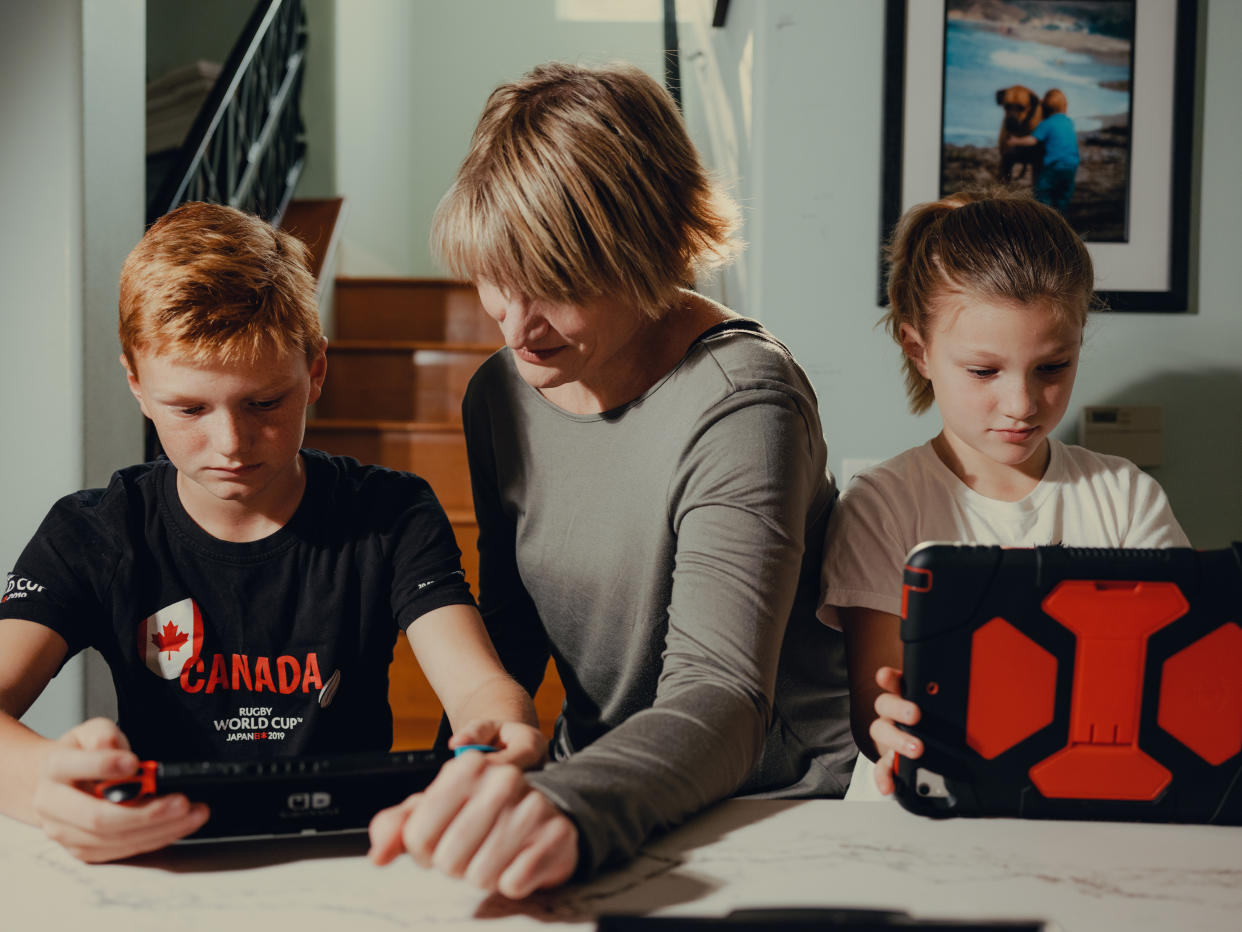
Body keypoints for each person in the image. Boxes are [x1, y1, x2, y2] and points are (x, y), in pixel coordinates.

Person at [367, 61, 855, 897]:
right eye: (498, 276)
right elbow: (511, 637)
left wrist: (567, 802)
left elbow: (724, 694)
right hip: (595, 785)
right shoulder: (501, 393)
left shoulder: (742, 401)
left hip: (765, 803)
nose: (517, 325)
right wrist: (470, 778)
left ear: (651, 251)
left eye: (557, 284)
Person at [0, 202, 545, 863]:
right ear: (136, 384)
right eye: (189, 408)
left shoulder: (391, 514)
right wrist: (39, 784)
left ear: (315, 371)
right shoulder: (93, 531)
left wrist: (499, 733)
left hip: (350, 857)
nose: (231, 443)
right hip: (162, 862)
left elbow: (480, 687)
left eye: (265, 402)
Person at [817, 189, 1189, 799]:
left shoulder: (1126, 497)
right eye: (984, 371)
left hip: (1094, 800)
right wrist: (889, 727)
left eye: (1052, 368)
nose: (1021, 404)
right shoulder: (883, 504)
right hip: (919, 812)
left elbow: (1174, 671)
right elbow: (873, 704)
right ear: (919, 350)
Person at [1009, 88, 1080, 213]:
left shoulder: (1046, 123)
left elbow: (1032, 140)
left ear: (1045, 108)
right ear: (1064, 106)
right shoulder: (1069, 122)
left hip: (1054, 166)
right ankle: (1061, 221)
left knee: (1042, 193)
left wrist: (1015, 141)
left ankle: (1045, 217)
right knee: (1063, 197)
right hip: (1072, 165)